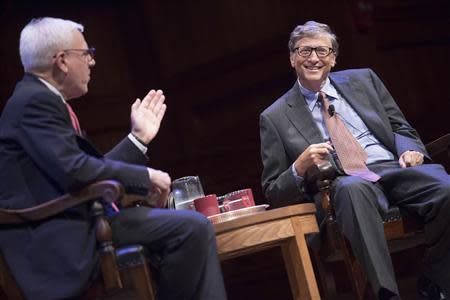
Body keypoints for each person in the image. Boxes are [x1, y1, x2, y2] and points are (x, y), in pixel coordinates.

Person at [0, 17, 227, 300]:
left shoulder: (41, 99)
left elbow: (82, 170)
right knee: (191, 228)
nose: (92, 62)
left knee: (187, 228)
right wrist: (145, 177)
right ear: (62, 61)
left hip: (83, 222)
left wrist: (138, 139)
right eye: (86, 54)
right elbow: (76, 170)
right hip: (65, 240)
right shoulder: (35, 102)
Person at [259, 20, 450, 300]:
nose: (313, 58)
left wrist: (410, 150)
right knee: (351, 190)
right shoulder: (274, 117)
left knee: (446, 188)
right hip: (344, 180)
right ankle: (386, 295)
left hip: (393, 167)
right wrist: (299, 167)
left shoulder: (365, 80)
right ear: (292, 58)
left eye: (322, 51)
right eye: (304, 51)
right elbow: (274, 191)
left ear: (333, 58)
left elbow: (400, 128)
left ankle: (436, 282)